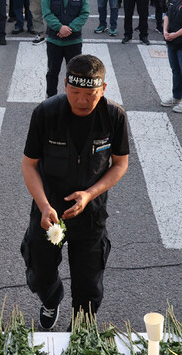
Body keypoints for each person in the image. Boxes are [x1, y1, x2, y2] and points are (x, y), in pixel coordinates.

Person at [20, 54, 130, 327]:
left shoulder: (114, 116)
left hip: (90, 212)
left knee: (89, 284)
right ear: (65, 84)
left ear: (103, 89)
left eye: (91, 94)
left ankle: (79, 330)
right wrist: (44, 205)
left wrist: (90, 194)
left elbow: (120, 164)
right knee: (40, 272)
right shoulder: (45, 113)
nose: (82, 100)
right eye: (75, 92)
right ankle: (51, 299)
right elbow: (29, 166)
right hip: (49, 210)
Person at [42, 0, 90, 97]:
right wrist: (59, 28)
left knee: (75, 74)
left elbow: (84, 13)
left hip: (73, 41)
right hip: (54, 40)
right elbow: (47, 12)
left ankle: (72, 99)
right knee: (52, 72)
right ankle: (51, 100)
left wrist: (69, 28)